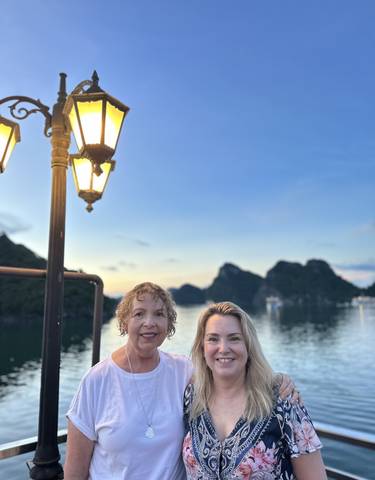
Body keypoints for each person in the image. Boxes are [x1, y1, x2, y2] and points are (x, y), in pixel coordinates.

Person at [64, 282, 299, 480]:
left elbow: (227, 369)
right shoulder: (97, 380)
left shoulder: (183, 370)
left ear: (169, 324)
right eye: (139, 314)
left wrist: (274, 379)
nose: (149, 322)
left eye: (159, 314)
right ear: (125, 322)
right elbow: (75, 470)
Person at [182, 301, 327, 479]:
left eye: (234, 338)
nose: (223, 348)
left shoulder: (282, 400)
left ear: (249, 346)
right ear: (202, 347)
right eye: (213, 339)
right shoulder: (192, 398)